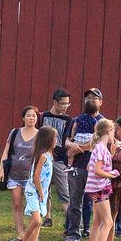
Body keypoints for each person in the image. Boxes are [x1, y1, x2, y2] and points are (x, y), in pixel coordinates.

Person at [62, 88, 106, 241]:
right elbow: (67, 140)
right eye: (88, 98)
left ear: (101, 102)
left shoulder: (103, 123)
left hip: (95, 168)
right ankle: (73, 233)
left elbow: (100, 143)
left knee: (94, 201)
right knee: (75, 200)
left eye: (94, 98)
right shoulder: (76, 121)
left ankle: (90, 229)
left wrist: (79, 148)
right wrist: (72, 146)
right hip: (77, 167)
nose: (90, 100)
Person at [1, 105, 41, 241]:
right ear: (23, 118)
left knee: (32, 206)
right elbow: (6, 151)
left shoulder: (40, 134)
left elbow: (42, 155)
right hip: (14, 174)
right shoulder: (14, 132)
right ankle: (20, 233)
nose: (31, 118)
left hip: (30, 177)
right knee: (17, 203)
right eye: (29, 115)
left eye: (34, 116)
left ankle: (32, 234)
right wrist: (1, 169)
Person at [16, 126, 57, 241]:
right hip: (34, 191)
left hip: (42, 193)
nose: (56, 141)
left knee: (38, 223)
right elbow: (36, 176)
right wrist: (40, 192)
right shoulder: (43, 156)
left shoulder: (50, 156)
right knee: (36, 220)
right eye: (54, 138)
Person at [84, 118, 118, 241]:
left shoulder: (98, 148)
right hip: (100, 188)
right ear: (109, 131)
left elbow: (90, 167)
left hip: (94, 188)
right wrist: (111, 175)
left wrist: (111, 154)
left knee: (97, 221)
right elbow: (97, 170)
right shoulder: (100, 149)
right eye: (113, 131)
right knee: (108, 221)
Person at [38, 89, 74, 225]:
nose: (65, 107)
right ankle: (46, 216)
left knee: (64, 191)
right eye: (63, 104)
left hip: (60, 160)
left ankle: (72, 223)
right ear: (55, 102)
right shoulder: (42, 117)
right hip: (44, 158)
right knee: (43, 188)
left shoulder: (69, 120)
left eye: (67, 104)